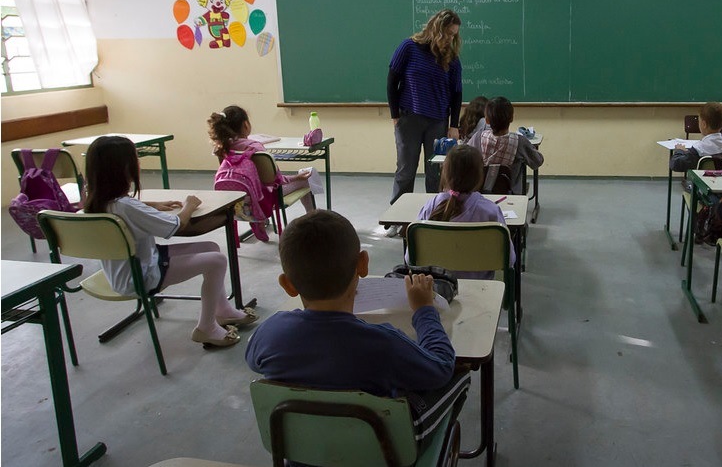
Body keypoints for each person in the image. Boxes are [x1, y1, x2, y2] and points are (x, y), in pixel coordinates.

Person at [245, 210, 468, 456]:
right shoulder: (383, 344)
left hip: (305, 457)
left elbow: (253, 360)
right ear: (363, 264)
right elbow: (441, 367)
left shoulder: (269, 333)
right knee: (459, 374)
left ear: (287, 284)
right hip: (377, 456)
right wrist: (425, 310)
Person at [82, 136, 256, 348]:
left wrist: (149, 205)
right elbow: (175, 225)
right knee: (217, 260)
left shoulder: (95, 202)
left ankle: (223, 310)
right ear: (123, 168)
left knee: (210, 247)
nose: (139, 163)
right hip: (142, 277)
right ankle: (206, 328)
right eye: (136, 159)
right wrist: (189, 205)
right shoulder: (128, 207)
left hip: (122, 271)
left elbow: (127, 208)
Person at [387, 9, 463, 208]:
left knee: (436, 172)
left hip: (438, 121)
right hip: (409, 118)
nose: (450, 38)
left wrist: (454, 125)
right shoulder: (409, 47)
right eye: (447, 33)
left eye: (454, 34)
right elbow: (391, 81)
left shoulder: (452, 59)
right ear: (436, 29)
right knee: (405, 171)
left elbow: (457, 94)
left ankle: (435, 213)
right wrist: (395, 116)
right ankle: (398, 218)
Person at [207, 105, 315, 241]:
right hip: (264, 198)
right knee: (305, 180)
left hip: (234, 200)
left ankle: (259, 222)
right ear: (246, 125)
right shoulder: (255, 147)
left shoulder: (222, 148)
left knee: (255, 187)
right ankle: (313, 218)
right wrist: (297, 177)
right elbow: (276, 180)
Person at [415, 144, 513, 279]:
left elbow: (411, 257)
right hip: (481, 289)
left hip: (438, 288)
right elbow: (509, 260)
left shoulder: (430, 207)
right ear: (480, 175)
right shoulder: (491, 211)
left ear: (444, 172)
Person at [467, 96, 544, 195]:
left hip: (480, 194)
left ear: (487, 120)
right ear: (511, 118)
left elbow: (465, 159)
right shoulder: (520, 142)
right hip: (511, 195)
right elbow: (538, 161)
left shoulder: (477, 138)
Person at [670, 101, 722, 172]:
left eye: (699, 121)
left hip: (705, 185)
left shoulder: (699, 149)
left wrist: (680, 150)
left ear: (704, 124)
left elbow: (675, 164)